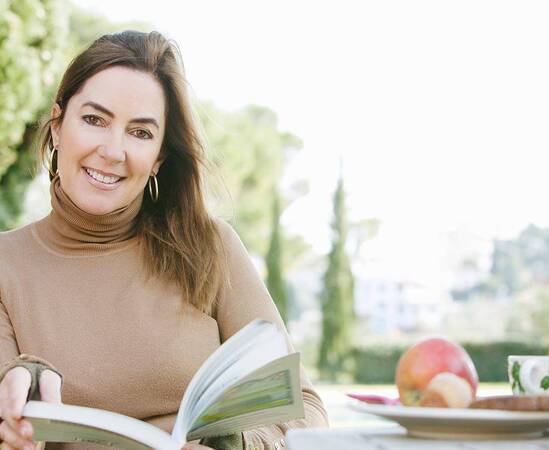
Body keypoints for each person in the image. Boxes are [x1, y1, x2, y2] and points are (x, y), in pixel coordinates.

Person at [0, 30, 328, 450]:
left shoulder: (211, 249)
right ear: (58, 124)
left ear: (158, 159)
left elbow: (304, 407)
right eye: (95, 120)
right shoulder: (5, 265)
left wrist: (240, 444)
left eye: (140, 133)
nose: (113, 150)